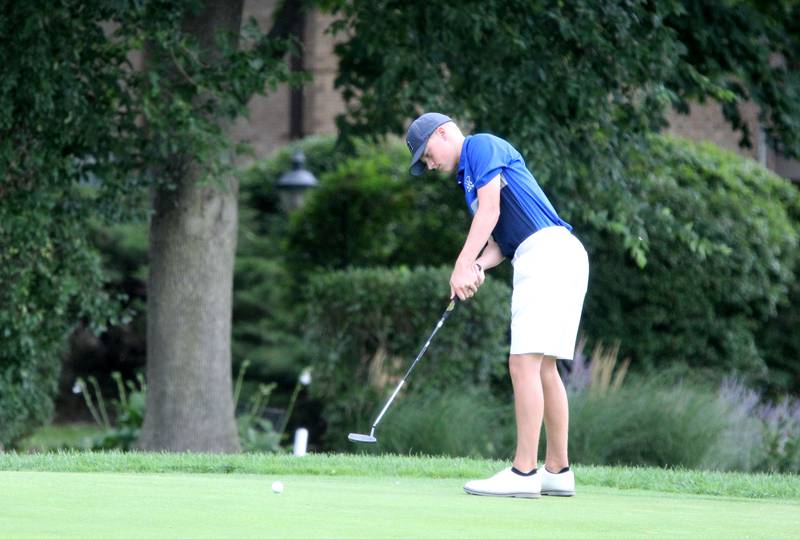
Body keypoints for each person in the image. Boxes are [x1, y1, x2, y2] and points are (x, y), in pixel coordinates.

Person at [405, 112, 589, 498]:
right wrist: (475, 266)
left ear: (443, 132)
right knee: (544, 367)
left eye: (427, 154)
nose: (430, 163)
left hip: (545, 253)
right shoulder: (467, 178)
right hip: (557, 253)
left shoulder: (480, 146)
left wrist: (460, 264)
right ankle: (557, 471)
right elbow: (501, 242)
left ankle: (524, 473)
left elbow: (491, 212)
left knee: (522, 363)